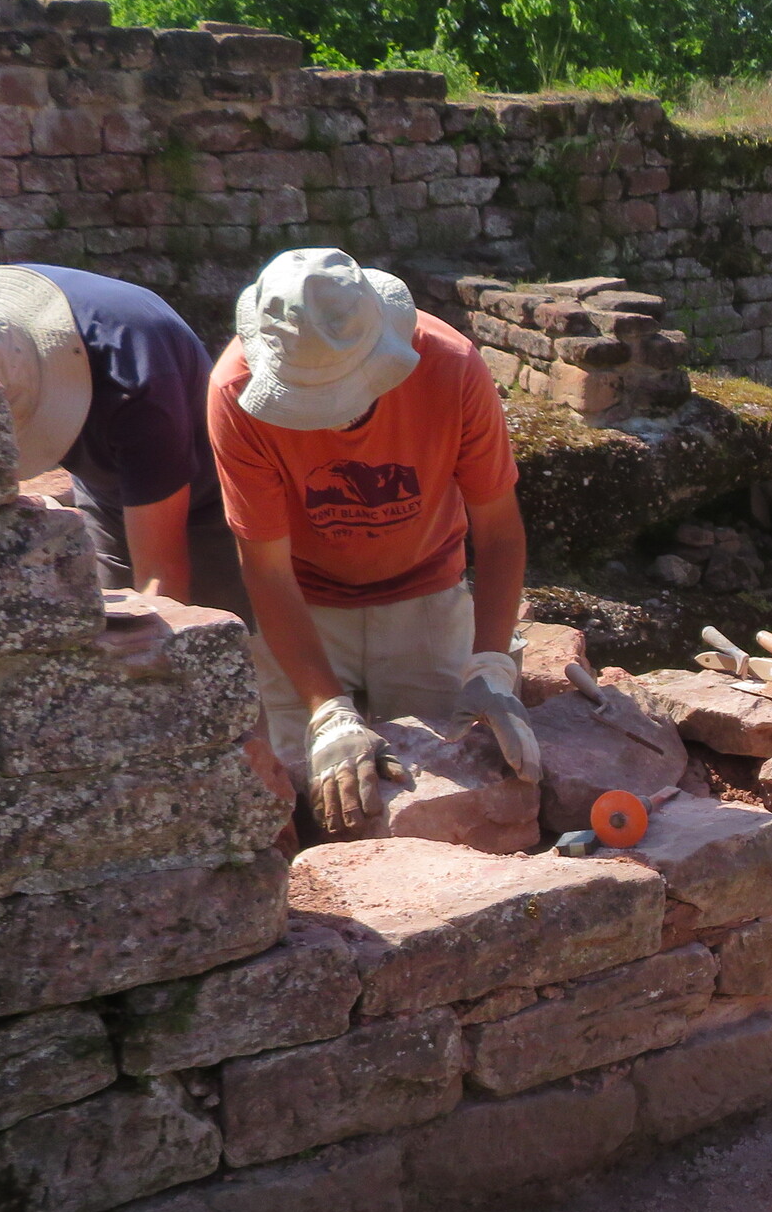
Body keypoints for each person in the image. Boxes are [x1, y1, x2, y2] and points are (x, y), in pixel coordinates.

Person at [208, 246, 538, 841]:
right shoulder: (237, 392)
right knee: (311, 799)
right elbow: (266, 569)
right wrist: (327, 713)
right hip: (302, 607)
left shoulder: (450, 366)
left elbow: (499, 529)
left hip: (426, 586)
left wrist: (490, 665)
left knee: (456, 788)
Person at [0, 264, 246, 615]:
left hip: (205, 494)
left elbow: (161, 577)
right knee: (105, 611)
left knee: (216, 623)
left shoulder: (139, 384)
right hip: (104, 474)